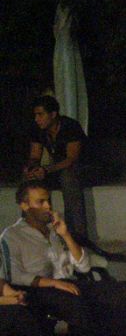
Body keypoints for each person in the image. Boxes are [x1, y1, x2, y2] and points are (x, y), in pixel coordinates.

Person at [0, 180, 126, 336]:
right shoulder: (12, 235)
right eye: (40, 202)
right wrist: (54, 283)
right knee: (79, 308)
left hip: (67, 282)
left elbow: (83, 265)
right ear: (24, 206)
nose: (47, 206)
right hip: (39, 288)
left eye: (48, 201)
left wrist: (65, 235)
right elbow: (14, 275)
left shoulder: (54, 229)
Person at [24, 95, 88, 240]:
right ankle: (35, 233)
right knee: (30, 180)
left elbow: (71, 159)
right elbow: (35, 156)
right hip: (59, 169)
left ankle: (77, 237)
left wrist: (46, 170)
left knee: (68, 177)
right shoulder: (38, 129)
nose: (37, 119)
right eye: (35, 115)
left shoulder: (70, 126)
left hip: (83, 168)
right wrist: (31, 168)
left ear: (53, 114)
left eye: (40, 114)